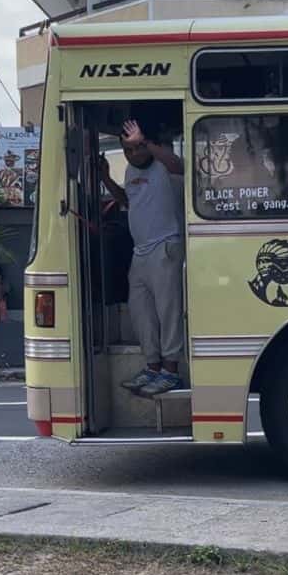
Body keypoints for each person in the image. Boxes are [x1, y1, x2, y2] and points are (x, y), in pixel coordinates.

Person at [100, 119, 186, 397]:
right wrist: (105, 178)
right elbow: (129, 200)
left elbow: (179, 166)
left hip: (165, 247)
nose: (131, 155)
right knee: (141, 313)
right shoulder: (129, 170)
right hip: (140, 251)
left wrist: (144, 141)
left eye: (135, 149)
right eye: (126, 150)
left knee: (168, 312)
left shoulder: (164, 167)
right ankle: (152, 367)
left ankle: (171, 372)